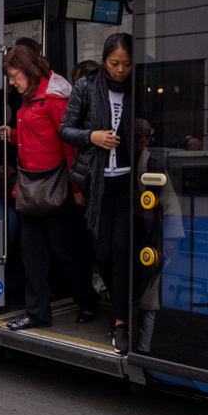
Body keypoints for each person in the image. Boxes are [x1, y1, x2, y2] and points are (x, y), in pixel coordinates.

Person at [0, 45, 95, 331]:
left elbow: (68, 145)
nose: (11, 82)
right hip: (31, 186)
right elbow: (39, 138)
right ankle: (37, 314)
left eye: (14, 75)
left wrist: (76, 187)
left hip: (54, 186)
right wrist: (14, 134)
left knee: (65, 252)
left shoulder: (53, 97)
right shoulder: (31, 98)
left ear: (28, 70)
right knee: (33, 256)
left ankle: (88, 302)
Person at [62, 33, 136, 353]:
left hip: (129, 183)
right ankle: (121, 301)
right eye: (114, 63)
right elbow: (65, 129)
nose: (121, 70)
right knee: (103, 253)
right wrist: (92, 136)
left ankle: (121, 322)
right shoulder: (86, 87)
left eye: (127, 64)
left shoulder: (139, 87)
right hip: (99, 184)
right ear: (104, 61)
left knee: (121, 252)